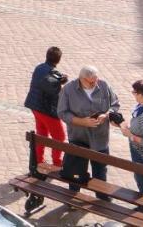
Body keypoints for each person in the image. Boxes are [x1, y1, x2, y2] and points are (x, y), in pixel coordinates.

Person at [57, 64, 119, 195]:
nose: (95, 83)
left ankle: (101, 199)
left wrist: (106, 114)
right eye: (91, 82)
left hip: (100, 140)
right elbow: (62, 113)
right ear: (82, 79)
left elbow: (115, 104)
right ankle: (73, 198)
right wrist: (82, 122)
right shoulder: (68, 89)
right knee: (75, 171)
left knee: (100, 173)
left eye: (96, 79)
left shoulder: (104, 85)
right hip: (78, 138)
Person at [23, 46, 68, 168]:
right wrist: (61, 81)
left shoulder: (39, 68)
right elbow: (52, 91)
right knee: (59, 137)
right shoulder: (54, 73)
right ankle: (57, 163)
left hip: (34, 106)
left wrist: (59, 80)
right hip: (47, 110)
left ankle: (38, 160)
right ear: (58, 60)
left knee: (41, 134)